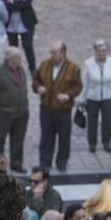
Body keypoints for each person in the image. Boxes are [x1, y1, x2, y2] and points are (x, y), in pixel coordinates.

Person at [34, 41, 83, 174]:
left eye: (54, 53)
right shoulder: (44, 64)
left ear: (63, 53)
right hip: (46, 109)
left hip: (63, 110)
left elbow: (78, 86)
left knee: (64, 138)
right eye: (51, 52)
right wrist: (38, 87)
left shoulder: (73, 68)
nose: (51, 55)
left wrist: (68, 95)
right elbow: (35, 79)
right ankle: (45, 162)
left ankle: (62, 162)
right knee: (46, 137)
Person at [0, 46, 31, 173]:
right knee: (0, 141)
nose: (21, 59)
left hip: (22, 113)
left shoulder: (21, 70)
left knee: (18, 140)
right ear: (10, 59)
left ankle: (16, 164)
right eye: (19, 57)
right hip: (5, 113)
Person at [82, 39, 111, 154]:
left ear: (107, 51)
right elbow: (84, 83)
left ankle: (107, 141)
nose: (101, 53)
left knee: (107, 120)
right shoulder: (88, 63)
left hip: (108, 97)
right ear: (95, 51)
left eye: (104, 51)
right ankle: (92, 142)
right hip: (92, 97)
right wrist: (81, 99)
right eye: (99, 51)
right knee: (92, 121)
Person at [1, 0, 38, 70]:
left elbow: (27, 3)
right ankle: (14, 67)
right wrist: (20, 2)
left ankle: (32, 68)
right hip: (11, 22)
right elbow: (4, 3)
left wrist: (14, 3)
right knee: (13, 48)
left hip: (26, 21)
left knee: (28, 46)